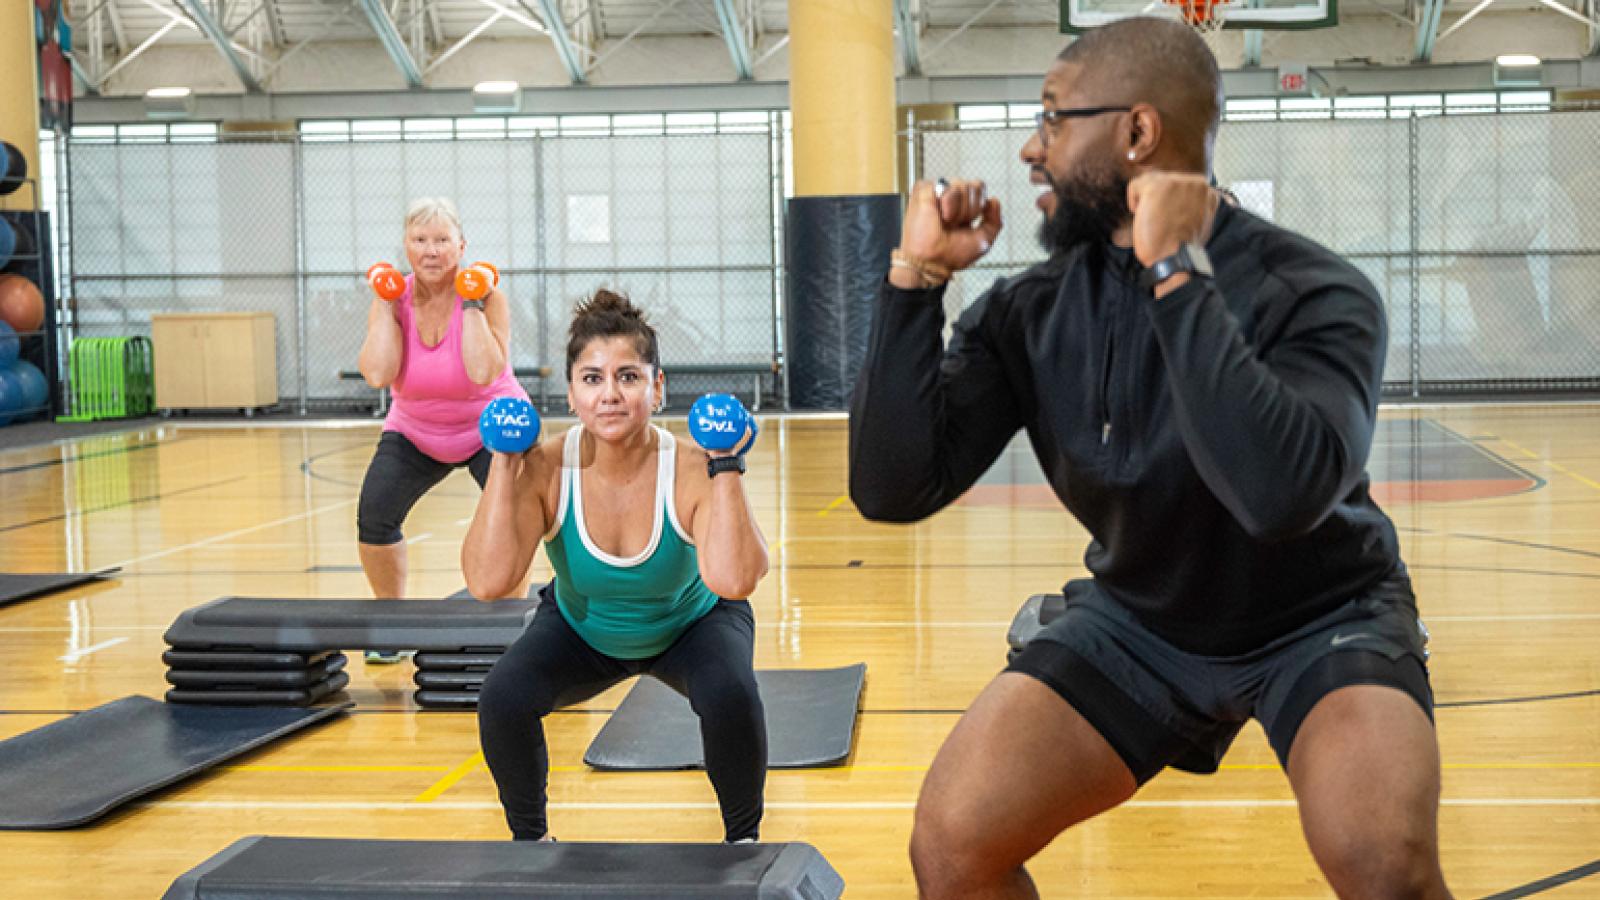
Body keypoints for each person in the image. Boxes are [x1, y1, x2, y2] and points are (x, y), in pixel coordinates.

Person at [848, 19, 1451, 900]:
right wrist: (916, 279)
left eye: (1053, 119)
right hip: (1141, 623)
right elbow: (892, 487)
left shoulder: (1316, 292)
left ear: (1136, 133)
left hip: (1320, 616)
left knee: (1383, 864)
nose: (1030, 147)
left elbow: (1281, 496)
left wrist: (1175, 270)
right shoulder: (1031, 311)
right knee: (952, 843)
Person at [463, 290, 769, 843]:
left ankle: (742, 842)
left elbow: (734, 581)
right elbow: (489, 582)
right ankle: (530, 842)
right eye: (592, 378)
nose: (610, 394)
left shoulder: (694, 464)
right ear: (572, 392)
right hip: (584, 630)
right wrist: (504, 465)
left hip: (691, 624)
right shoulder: (546, 467)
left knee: (730, 691)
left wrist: (726, 466)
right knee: (503, 697)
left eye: (628, 376)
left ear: (658, 387)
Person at [355, 197, 528, 659]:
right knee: (375, 513)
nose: (431, 251)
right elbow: (377, 373)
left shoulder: (488, 297)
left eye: (442, 240)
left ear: (462, 245)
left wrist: (470, 304)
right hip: (417, 427)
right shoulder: (393, 298)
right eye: (420, 240)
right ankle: (390, 626)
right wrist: (386, 308)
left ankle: (510, 628)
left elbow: (483, 372)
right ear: (406, 248)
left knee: (511, 516)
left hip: (490, 424)